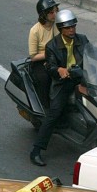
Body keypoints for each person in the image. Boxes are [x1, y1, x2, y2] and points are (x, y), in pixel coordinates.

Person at [29, 9, 88, 166]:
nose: (72, 30)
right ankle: (36, 150)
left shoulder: (82, 39)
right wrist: (59, 70)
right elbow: (50, 67)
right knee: (53, 114)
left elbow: (93, 54)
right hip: (63, 82)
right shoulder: (52, 46)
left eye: (73, 26)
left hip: (80, 77)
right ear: (61, 28)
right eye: (68, 28)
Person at [27, 0, 58, 64]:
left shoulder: (58, 25)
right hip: (41, 63)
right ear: (43, 14)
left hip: (58, 60)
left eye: (56, 11)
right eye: (51, 12)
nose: (55, 14)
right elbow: (33, 57)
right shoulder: (35, 31)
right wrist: (50, 55)